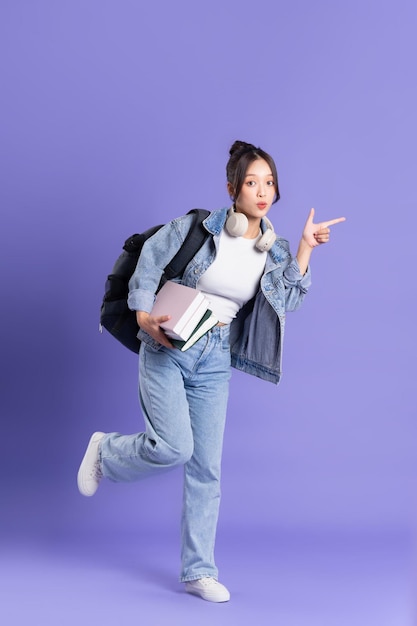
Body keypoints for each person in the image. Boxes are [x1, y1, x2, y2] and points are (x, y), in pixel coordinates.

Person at [77, 140, 345, 603]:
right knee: (174, 447)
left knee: (207, 467)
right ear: (232, 189)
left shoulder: (273, 250)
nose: (262, 191)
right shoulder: (199, 228)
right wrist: (141, 312)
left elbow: (289, 299)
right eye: (251, 182)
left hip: (215, 357)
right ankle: (106, 452)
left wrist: (304, 248)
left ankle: (198, 571)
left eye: (269, 183)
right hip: (169, 343)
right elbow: (151, 259)